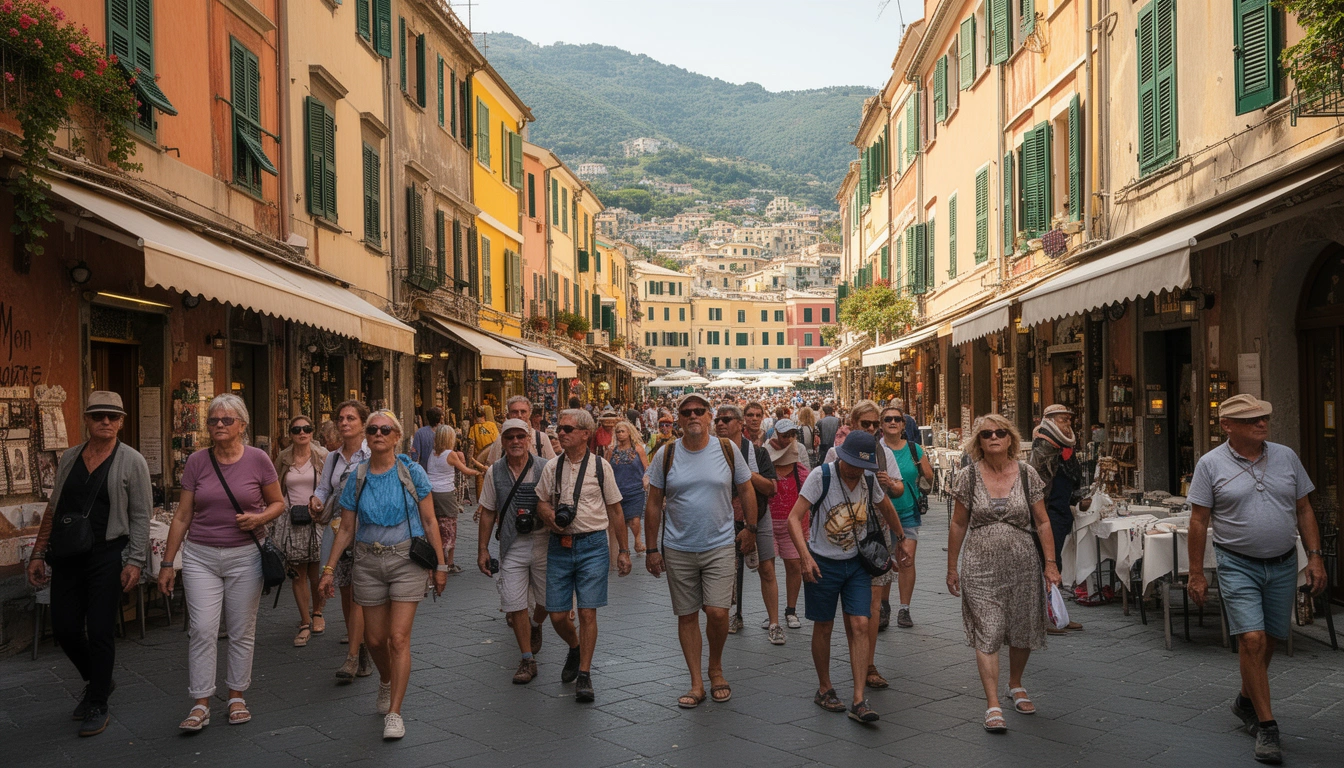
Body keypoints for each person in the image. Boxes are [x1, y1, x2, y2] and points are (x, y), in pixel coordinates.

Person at [1186, 395, 1328, 765]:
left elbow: (1304, 508)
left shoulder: (1286, 456)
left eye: (1264, 417)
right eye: (1251, 420)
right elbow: (1199, 521)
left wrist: (1314, 557)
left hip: (1283, 563)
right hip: (1237, 562)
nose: (1261, 424)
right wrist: (1197, 573)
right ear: (1227, 426)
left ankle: (1245, 701)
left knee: (1272, 641)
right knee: (1252, 638)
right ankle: (1267, 725)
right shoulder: (1210, 464)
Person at [157, 394, 286, 731]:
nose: (218, 425)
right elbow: (183, 515)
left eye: (226, 420)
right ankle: (200, 702)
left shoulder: (259, 459)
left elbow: (278, 504)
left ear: (242, 425)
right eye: (213, 420)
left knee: (241, 628)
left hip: (245, 555)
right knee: (201, 629)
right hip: (200, 555)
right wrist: (168, 562)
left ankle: (236, 695)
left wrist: (259, 518)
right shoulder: (197, 461)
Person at [27, 391, 152, 737]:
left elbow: (141, 516)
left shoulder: (132, 461)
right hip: (68, 555)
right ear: (87, 419)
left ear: (122, 422)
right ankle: (99, 679)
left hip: (108, 554)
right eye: (98, 416)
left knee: (99, 630)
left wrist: (136, 561)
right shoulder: (70, 457)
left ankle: (97, 701)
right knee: (65, 628)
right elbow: (53, 508)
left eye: (113, 417)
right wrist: (38, 552)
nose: (106, 422)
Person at [319, 410, 446, 740]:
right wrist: (329, 569)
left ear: (396, 436)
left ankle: (395, 711)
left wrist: (441, 565)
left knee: (397, 638)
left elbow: (431, 521)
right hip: (367, 561)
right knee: (374, 640)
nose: (378, 433)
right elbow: (346, 529)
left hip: (406, 560)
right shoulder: (357, 477)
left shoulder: (412, 471)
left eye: (384, 429)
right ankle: (386, 680)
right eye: (372, 429)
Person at [785, 430, 913, 723]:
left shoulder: (868, 480)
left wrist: (902, 538)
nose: (856, 470)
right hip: (822, 563)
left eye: (862, 465)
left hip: (856, 563)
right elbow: (795, 517)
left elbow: (886, 506)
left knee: (859, 623)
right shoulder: (822, 476)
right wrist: (804, 556)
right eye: (852, 463)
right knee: (825, 626)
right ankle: (825, 688)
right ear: (842, 457)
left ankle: (858, 699)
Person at [946, 414, 1060, 734]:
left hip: (1023, 562)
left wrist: (1050, 563)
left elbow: (1043, 522)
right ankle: (993, 703)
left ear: (1010, 439)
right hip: (979, 564)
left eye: (1000, 432)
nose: (993, 437)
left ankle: (1016, 683)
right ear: (978, 442)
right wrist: (951, 568)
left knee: (1022, 626)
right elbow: (958, 523)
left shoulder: (1027, 474)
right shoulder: (968, 477)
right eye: (986, 434)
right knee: (989, 629)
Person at [645, 393, 756, 708]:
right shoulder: (665, 455)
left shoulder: (727, 449)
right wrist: (652, 548)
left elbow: (746, 488)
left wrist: (751, 527)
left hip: (720, 544)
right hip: (678, 547)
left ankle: (716, 667)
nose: (693, 415)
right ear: (679, 419)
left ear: (709, 417)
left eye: (699, 411)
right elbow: (653, 503)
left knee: (719, 613)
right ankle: (697, 682)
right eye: (686, 411)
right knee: (687, 615)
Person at [536, 409, 631, 702]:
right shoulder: (552, 467)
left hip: (593, 545)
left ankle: (585, 675)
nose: (560, 433)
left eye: (567, 429)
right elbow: (541, 501)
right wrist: (549, 516)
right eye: (560, 429)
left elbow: (616, 509)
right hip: (559, 544)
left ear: (585, 434)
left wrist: (624, 551)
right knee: (557, 614)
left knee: (588, 612)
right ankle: (575, 647)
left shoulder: (601, 467)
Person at [477, 419, 551, 684]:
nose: (516, 441)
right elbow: (487, 512)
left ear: (529, 439)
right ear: (503, 441)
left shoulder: (546, 468)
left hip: (544, 544)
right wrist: (482, 549)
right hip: (512, 545)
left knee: (547, 602)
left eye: (521, 436)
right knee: (515, 602)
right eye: (510, 437)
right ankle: (527, 658)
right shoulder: (494, 472)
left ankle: (535, 623)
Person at [311, 400, 373, 684]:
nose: (344, 423)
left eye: (351, 418)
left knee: (361, 591)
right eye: (341, 418)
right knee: (347, 590)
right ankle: (358, 646)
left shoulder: (372, 453)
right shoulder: (333, 458)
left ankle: (355, 654)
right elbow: (325, 487)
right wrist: (317, 499)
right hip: (339, 528)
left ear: (363, 422)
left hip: (368, 528)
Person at [718, 404, 782, 643]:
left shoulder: (758, 453)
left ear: (739, 424)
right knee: (727, 572)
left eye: (726, 419)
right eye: (718, 420)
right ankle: (735, 614)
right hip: (725, 518)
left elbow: (771, 488)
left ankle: (774, 622)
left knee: (766, 568)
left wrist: (745, 471)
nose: (721, 424)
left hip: (759, 516)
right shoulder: (712, 452)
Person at [1029, 404, 1090, 634]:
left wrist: (1076, 499)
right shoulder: (1044, 446)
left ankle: (1058, 614)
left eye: (1068, 420)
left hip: (1061, 512)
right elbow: (1039, 486)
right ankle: (1045, 618)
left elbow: (1068, 479)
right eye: (1063, 420)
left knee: (1056, 564)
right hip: (1048, 514)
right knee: (1048, 564)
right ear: (1050, 421)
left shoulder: (1064, 446)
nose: (1068, 424)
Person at [876, 404, 933, 636]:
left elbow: (928, 477)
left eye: (897, 419)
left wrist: (920, 473)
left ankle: (904, 608)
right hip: (880, 513)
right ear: (881, 425)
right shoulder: (875, 449)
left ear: (903, 424)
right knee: (885, 562)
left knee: (906, 560)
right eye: (887, 419)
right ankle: (884, 605)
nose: (892, 422)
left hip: (908, 510)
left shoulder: (914, 449)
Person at [272, 415, 328, 647]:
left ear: (312, 432)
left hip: (317, 520)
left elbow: (329, 486)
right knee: (297, 574)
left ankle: (317, 612)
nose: (302, 433)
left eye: (307, 428)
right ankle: (304, 621)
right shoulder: (283, 458)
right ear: (291, 434)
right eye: (297, 430)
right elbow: (275, 486)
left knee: (316, 574)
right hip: (292, 520)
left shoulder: (323, 456)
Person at [767, 424, 810, 630]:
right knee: (767, 570)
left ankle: (790, 610)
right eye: (785, 435)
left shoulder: (798, 456)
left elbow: (810, 489)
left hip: (792, 524)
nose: (789, 439)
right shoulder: (765, 455)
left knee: (794, 566)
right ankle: (771, 614)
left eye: (792, 434)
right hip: (767, 522)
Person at [427, 424, 481, 574]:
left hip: (431, 492)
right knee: (450, 526)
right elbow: (465, 471)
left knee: (436, 525)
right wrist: (479, 472)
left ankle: (436, 559)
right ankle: (448, 563)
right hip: (445, 493)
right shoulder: (451, 454)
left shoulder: (433, 453)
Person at [608, 420, 649, 555]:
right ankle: (623, 548)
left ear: (629, 433)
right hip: (617, 490)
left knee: (634, 519)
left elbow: (646, 468)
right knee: (620, 521)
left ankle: (637, 541)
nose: (620, 434)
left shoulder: (638, 449)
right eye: (618, 432)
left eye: (622, 431)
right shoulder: (611, 450)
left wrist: (646, 480)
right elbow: (605, 468)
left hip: (635, 490)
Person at [481, 396, 557, 465]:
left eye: (523, 412)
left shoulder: (541, 438)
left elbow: (552, 467)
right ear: (509, 414)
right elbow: (492, 466)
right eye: (515, 412)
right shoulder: (501, 439)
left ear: (529, 413)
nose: (519, 415)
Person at [409, 407, 442, 472]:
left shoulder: (420, 432)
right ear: (440, 419)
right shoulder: (445, 432)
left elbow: (415, 454)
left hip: (425, 471)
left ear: (427, 418)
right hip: (441, 471)